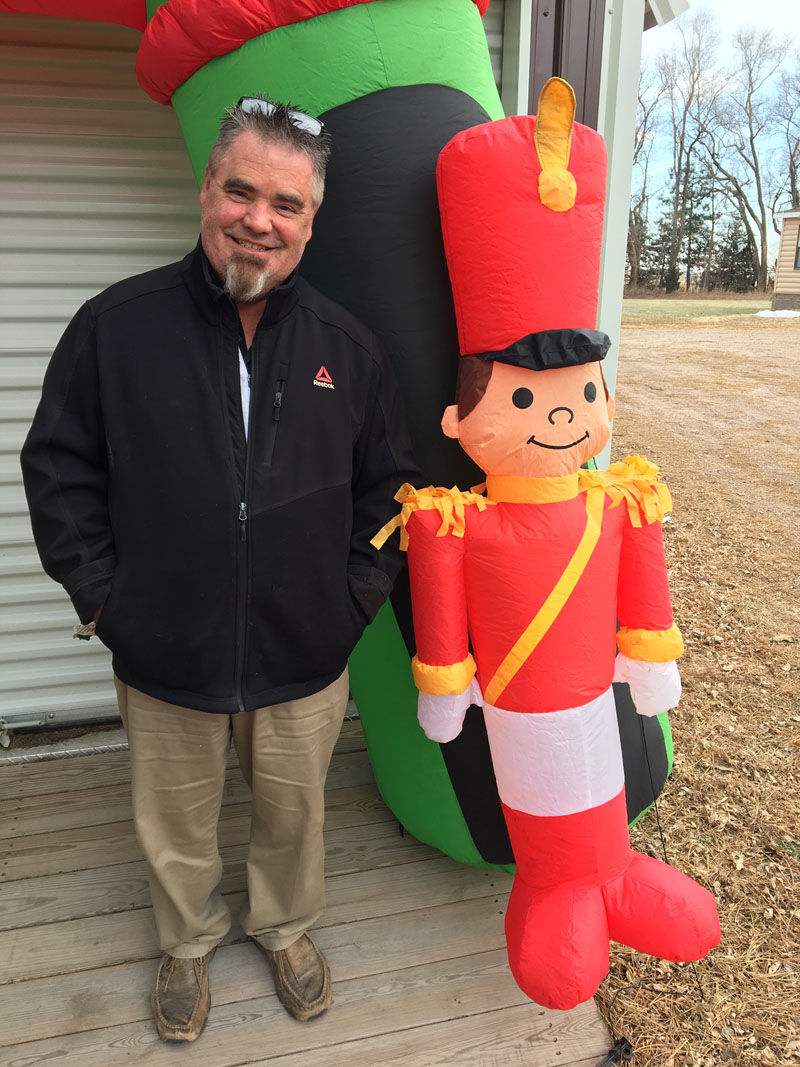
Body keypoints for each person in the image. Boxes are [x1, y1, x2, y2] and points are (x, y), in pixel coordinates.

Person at [21, 98, 419, 1042]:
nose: (258, 219)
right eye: (240, 190)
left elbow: (393, 491)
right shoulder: (116, 327)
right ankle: (187, 941)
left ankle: (283, 927)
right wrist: (106, 599)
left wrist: (351, 601)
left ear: (310, 222)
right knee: (174, 819)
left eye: (285, 203)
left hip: (303, 648)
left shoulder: (348, 349)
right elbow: (58, 466)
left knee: (293, 813)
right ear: (206, 189)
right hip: (164, 646)